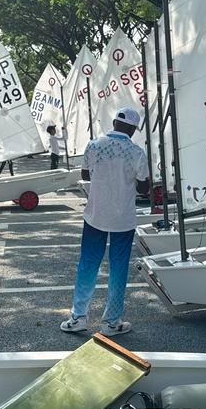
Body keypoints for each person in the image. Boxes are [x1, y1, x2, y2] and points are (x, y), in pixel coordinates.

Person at [60, 107, 150, 336]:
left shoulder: (93, 145)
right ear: (133, 129)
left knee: (87, 265)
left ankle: (78, 317)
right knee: (118, 268)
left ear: (114, 122)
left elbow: (85, 175)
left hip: (96, 215)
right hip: (123, 219)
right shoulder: (136, 152)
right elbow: (144, 188)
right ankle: (111, 322)